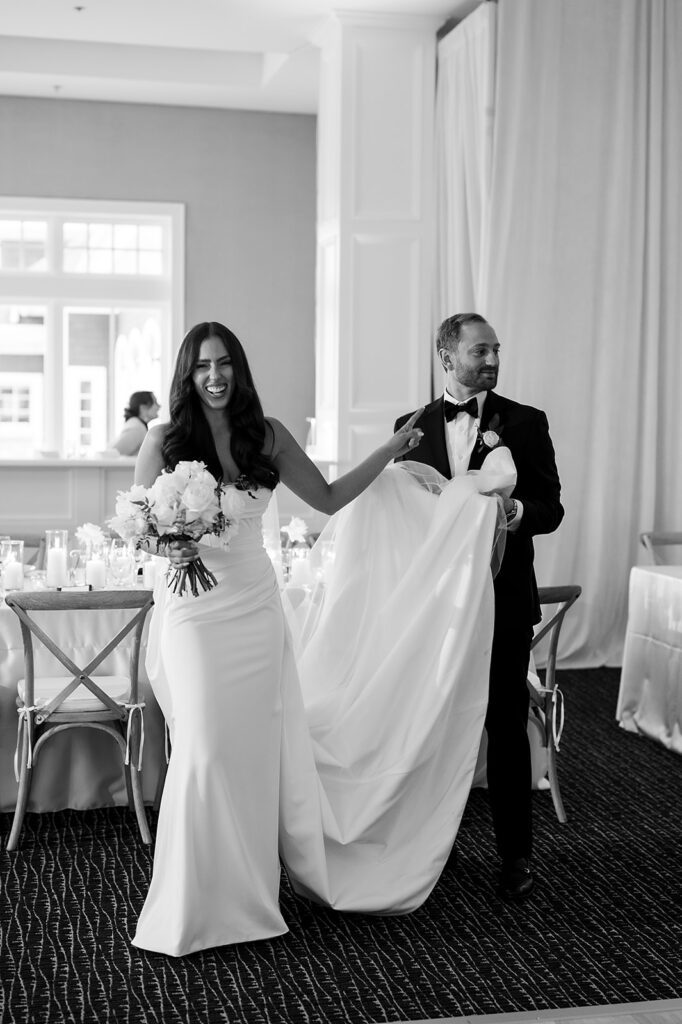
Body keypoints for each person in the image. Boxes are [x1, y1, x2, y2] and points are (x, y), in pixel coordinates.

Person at [131, 321, 427, 956]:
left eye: (226, 364)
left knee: (252, 753)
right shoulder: (163, 439)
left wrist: (388, 451)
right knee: (205, 746)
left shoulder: (266, 434)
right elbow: (136, 528)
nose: (216, 376)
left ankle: (251, 898)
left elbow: (326, 497)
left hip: (255, 608)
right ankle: (196, 898)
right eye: (204, 365)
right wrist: (169, 544)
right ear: (187, 373)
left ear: (239, 369)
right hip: (193, 611)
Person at [395, 312, 564, 902]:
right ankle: (413, 848)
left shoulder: (525, 421)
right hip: (433, 606)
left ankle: (517, 855)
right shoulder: (409, 427)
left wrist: (516, 516)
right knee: (423, 723)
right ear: (447, 357)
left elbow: (551, 506)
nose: (491, 361)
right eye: (479, 352)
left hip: (504, 600)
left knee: (506, 726)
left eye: (495, 351)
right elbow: (400, 520)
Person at [110, 390, 160, 456]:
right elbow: (113, 454)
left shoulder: (138, 426)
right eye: (155, 402)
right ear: (143, 408)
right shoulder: (137, 428)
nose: (159, 406)